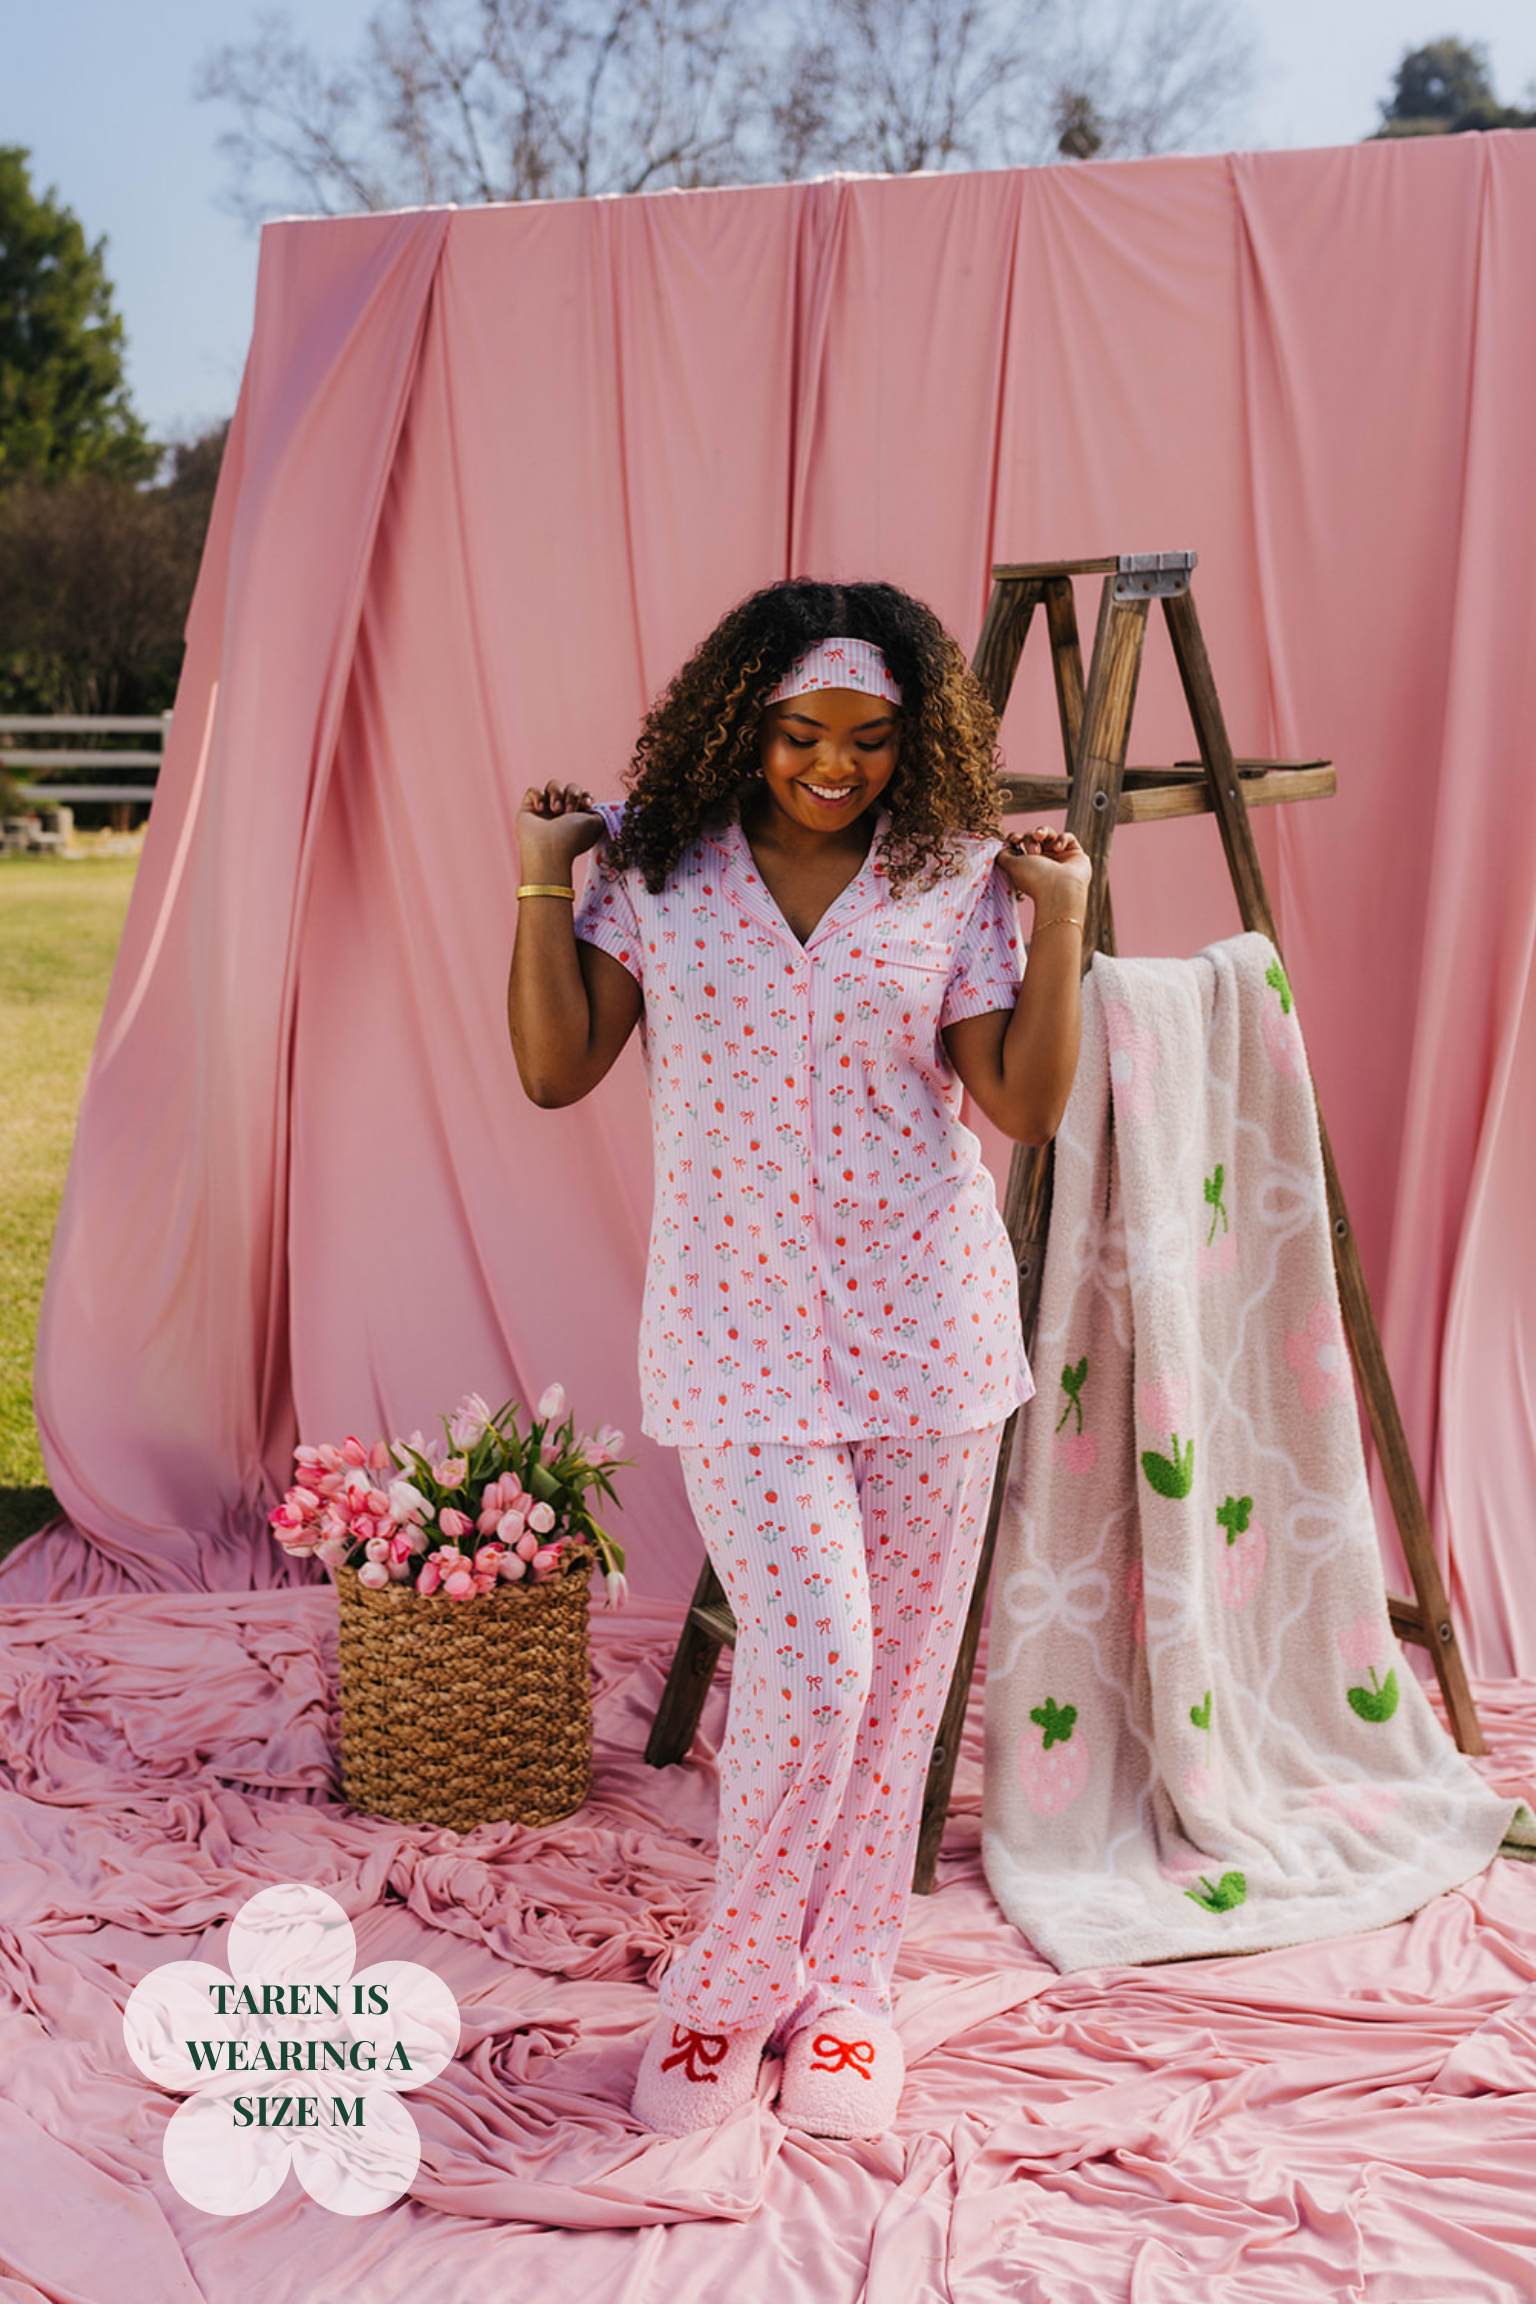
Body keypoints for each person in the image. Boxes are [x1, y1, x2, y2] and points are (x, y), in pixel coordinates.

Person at [507, 578, 1089, 2141]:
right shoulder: (659, 872)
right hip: (738, 1335)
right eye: (798, 733)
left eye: (870, 739)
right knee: (816, 1663)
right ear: (741, 723)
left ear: (916, 741)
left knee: (897, 1696)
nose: (833, 765)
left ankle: (850, 1993)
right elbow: (559, 1070)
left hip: (934, 1335)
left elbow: (1022, 1109)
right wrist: (533, 885)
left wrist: (1067, 922)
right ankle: (726, 1985)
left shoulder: (953, 879)